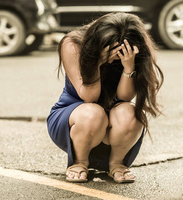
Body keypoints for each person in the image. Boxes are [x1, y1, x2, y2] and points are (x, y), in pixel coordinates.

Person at [47, 13, 163, 183]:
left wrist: (128, 67)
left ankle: (117, 163)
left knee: (131, 111)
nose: (115, 57)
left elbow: (124, 97)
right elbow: (89, 96)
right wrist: (97, 62)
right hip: (75, 121)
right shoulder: (72, 44)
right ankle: (79, 162)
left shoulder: (133, 50)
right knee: (93, 112)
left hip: (114, 131)